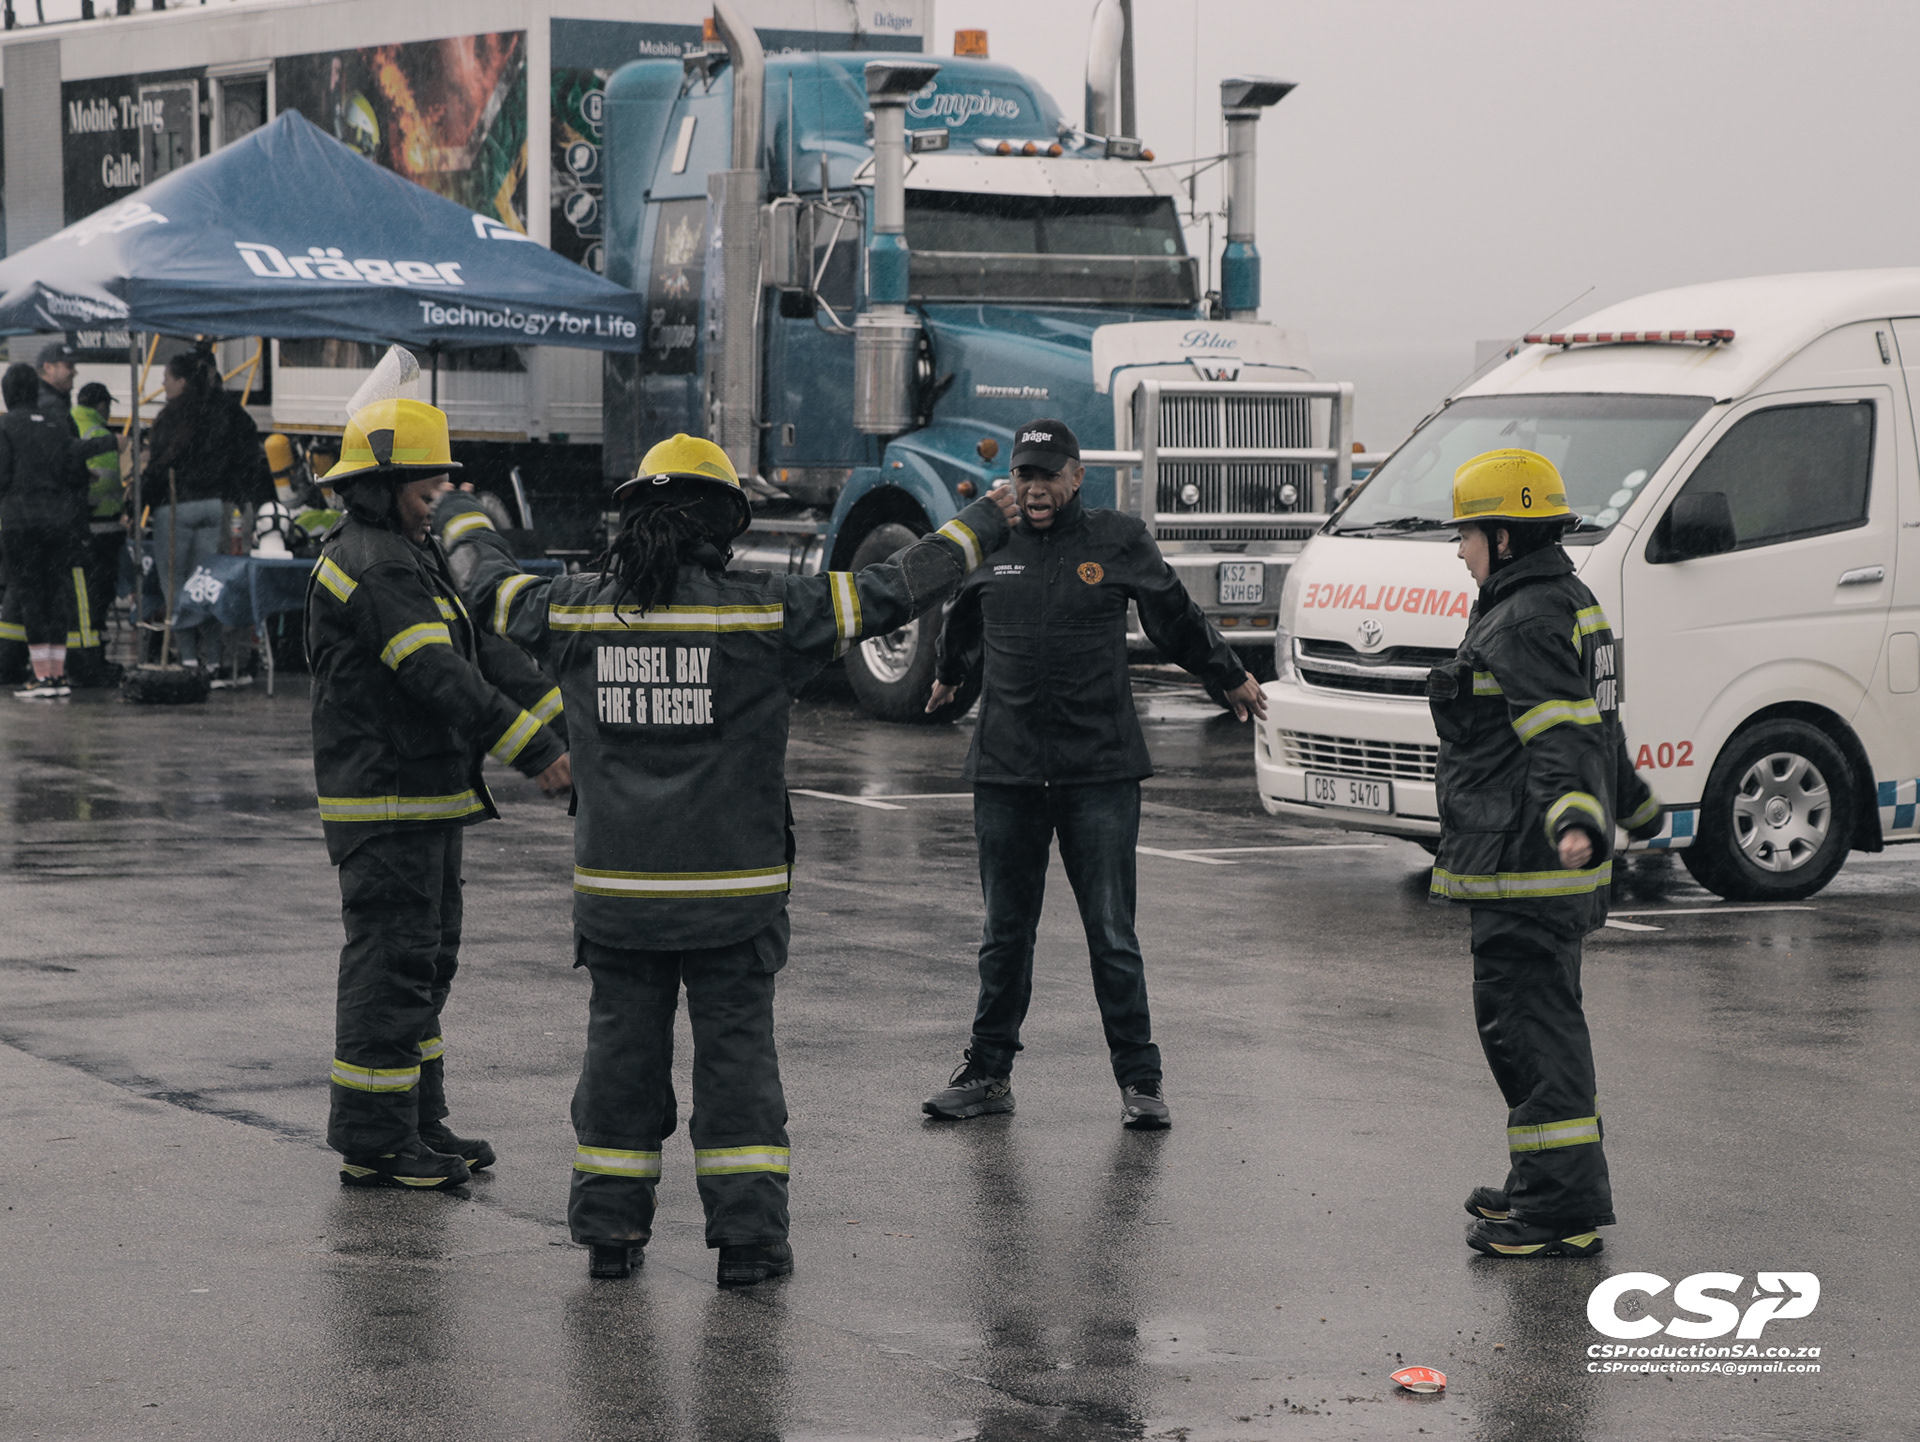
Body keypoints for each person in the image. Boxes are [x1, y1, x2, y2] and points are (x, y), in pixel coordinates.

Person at [438, 433, 1016, 1286]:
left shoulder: (572, 611)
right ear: (723, 526)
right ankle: (748, 1244)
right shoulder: (770, 612)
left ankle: (610, 1237)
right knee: (737, 1066)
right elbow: (895, 588)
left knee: (619, 1067)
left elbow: (487, 584)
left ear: (633, 517)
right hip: (734, 902)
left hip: (619, 902)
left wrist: (454, 504)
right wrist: (985, 520)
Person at [920, 418, 1267, 1131]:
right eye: (1024, 474)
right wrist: (950, 676)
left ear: (1077, 477)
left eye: (1048, 475)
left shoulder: (1118, 540)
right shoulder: (990, 541)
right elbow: (962, 618)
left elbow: (1173, 614)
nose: (1034, 488)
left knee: (1111, 931)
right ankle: (987, 1075)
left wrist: (1226, 674)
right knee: (1004, 933)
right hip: (1008, 772)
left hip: (1099, 771)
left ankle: (1141, 1081)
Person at [307, 395, 572, 1192]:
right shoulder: (377, 563)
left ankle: (416, 1120)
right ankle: (376, 1141)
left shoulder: (401, 551)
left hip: (418, 798)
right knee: (392, 969)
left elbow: (481, 650)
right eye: (426, 492)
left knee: (423, 965)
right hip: (387, 802)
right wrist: (537, 752)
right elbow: (436, 673)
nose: (436, 506)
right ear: (386, 485)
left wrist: (566, 725)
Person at [1424, 449, 1662, 1259]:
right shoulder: (1566, 601)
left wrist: (1576, 818)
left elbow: (1560, 736)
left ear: (1506, 537)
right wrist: (1631, 802)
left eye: (1467, 535)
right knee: (1540, 1030)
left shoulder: (1523, 619)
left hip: (1525, 866)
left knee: (1530, 1035)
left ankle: (1556, 1212)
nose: (1460, 550)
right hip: (1536, 862)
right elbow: (1598, 725)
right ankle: (1546, 1187)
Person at [141, 350, 271, 672]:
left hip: (176, 508)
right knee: (206, 585)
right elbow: (244, 461)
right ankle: (213, 660)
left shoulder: (171, 416)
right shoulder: (224, 413)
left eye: (167, 378)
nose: (163, 384)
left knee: (176, 587)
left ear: (183, 380)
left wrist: (140, 503)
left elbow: (157, 467)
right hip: (215, 506)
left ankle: (187, 657)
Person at [71, 382, 127, 676]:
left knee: (80, 596)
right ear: (102, 406)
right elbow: (104, 483)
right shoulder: (100, 435)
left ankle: (82, 654)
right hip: (103, 529)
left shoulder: (69, 423)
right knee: (98, 596)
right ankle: (94, 658)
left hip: (78, 528)